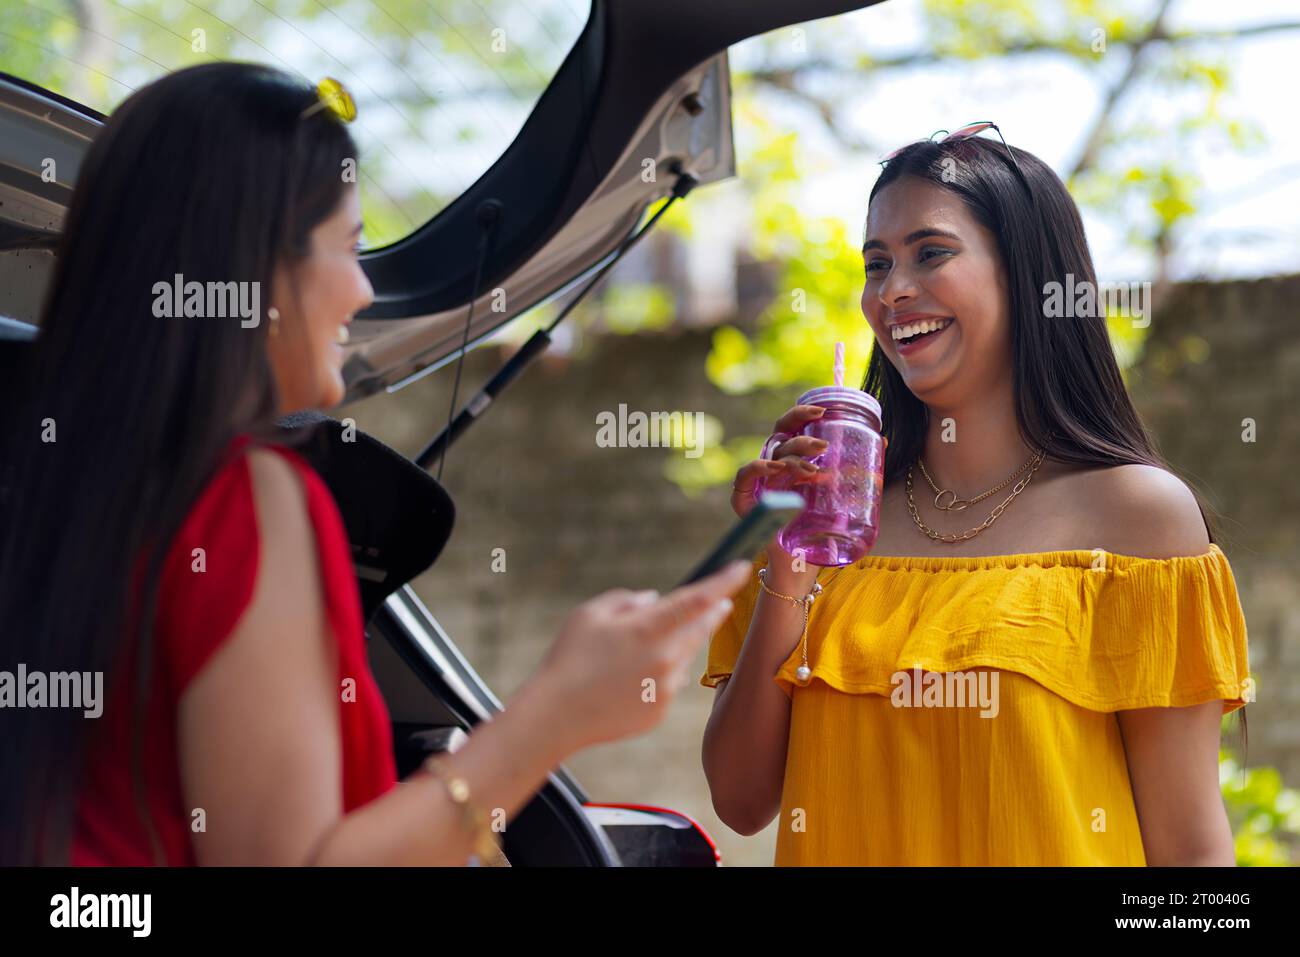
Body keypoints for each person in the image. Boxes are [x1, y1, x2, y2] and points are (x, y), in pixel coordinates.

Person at [0, 62, 751, 866]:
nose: (362, 292)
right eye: (349, 249)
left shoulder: (55, 488)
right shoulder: (246, 495)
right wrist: (556, 714)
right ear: (256, 262)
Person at [703, 126, 1251, 866]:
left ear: (1025, 275)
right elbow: (740, 801)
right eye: (877, 263)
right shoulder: (822, 525)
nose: (892, 290)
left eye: (932, 253)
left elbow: (1190, 855)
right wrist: (787, 568)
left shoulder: (1137, 518)